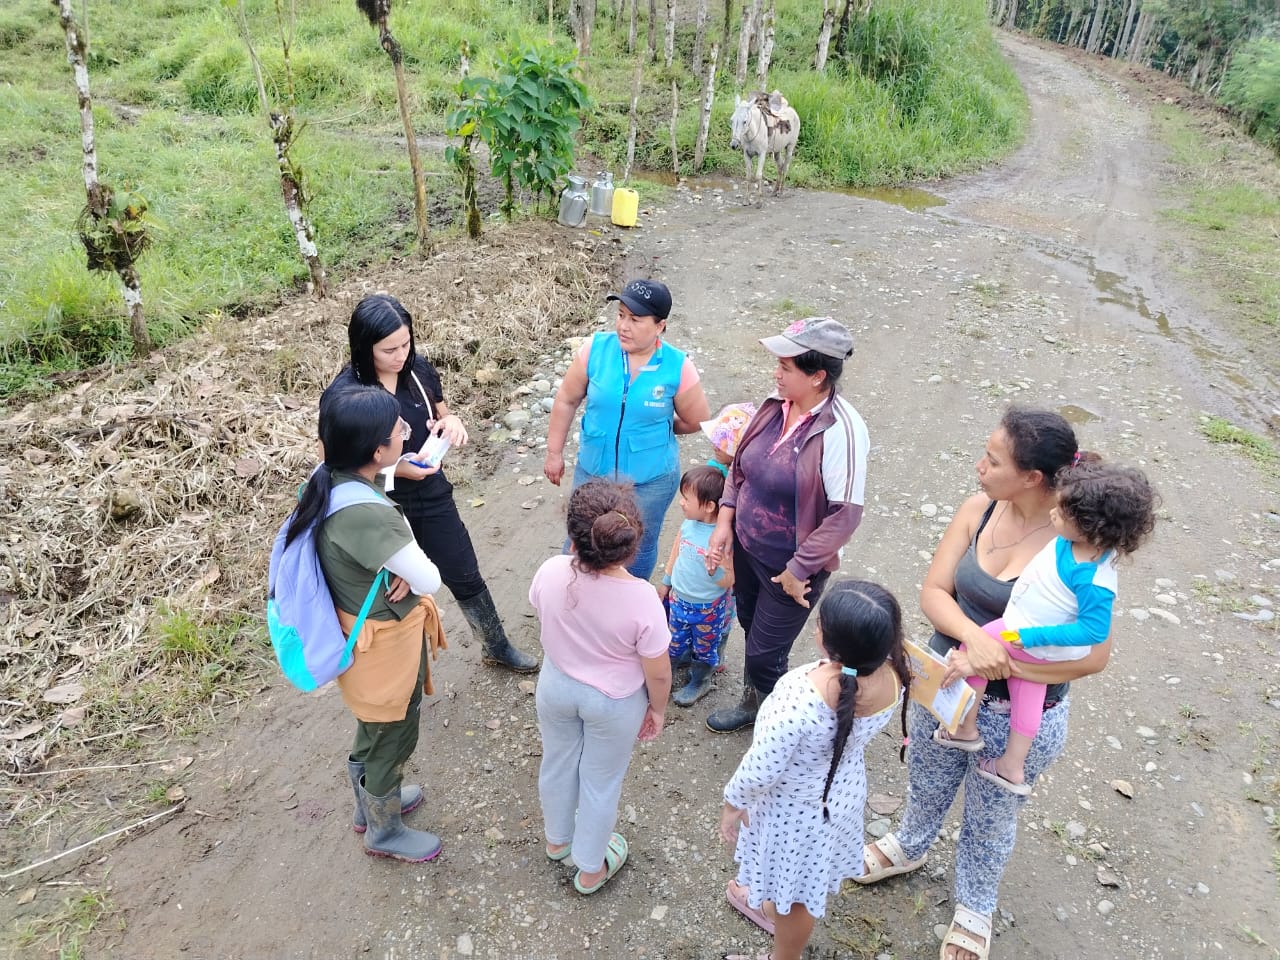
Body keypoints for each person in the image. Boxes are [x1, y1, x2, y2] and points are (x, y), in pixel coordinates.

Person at [853, 407, 1114, 960]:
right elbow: (934, 593)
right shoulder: (979, 509)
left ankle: (976, 903)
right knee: (927, 776)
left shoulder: (1079, 540)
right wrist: (979, 641)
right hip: (947, 684)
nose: (979, 467)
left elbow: (1094, 656)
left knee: (993, 813)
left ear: (1033, 477)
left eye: (993, 461)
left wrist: (1012, 668)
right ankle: (910, 843)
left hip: (1020, 712)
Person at [326, 293, 538, 673]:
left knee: (463, 569)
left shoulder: (417, 371)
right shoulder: (345, 397)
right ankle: (402, 675)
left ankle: (496, 645)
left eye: (406, 344)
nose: (400, 356)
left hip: (428, 490)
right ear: (363, 347)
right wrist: (396, 471)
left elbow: (441, 412)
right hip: (375, 507)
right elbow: (333, 465)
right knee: (394, 591)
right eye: (389, 350)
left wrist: (450, 421)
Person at [290, 386, 444, 862]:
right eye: (399, 430)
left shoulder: (327, 479)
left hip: (355, 633)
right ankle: (384, 830)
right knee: (394, 729)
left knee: (373, 721)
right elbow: (430, 579)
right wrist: (405, 567)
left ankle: (369, 805)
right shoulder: (368, 516)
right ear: (376, 451)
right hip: (385, 644)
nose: (406, 433)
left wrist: (394, 562)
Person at [719, 580, 909, 960]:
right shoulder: (895, 674)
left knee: (797, 899)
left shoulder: (800, 698)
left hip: (796, 814)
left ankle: (783, 954)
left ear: (829, 642)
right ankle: (768, 904)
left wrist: (732, 803)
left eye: (820, 624)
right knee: (800, 883)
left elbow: (761, 768)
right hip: (843, 795)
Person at [943, 458, 1157, 794]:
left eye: (1062, 512)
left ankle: (964, 728)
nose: (1053, 514)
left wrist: (1030, 637)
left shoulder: (1094, 579)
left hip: (1025, 632)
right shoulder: (1079, 546)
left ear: (1090, 527)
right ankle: (1011, 766)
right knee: (1029, 691)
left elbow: (1094, 632)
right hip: (1038, 642)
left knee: (977, 644)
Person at [704, 317, 870, 733]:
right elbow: (740, 468)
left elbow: (845, 514)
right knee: (749, 625)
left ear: (817, 376)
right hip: (747, 547)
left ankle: (779, 726)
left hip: (791, 568)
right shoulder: (774, 404)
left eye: (785, 367)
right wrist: (725, 521)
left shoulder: (842, 431)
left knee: (765, 652)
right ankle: (753, 704)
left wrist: (799, 569)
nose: (775, 374)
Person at [530, 480, 673, 895]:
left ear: (573, 539)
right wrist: (657, 709)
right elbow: (658, 672)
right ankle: (591, 867)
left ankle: (557, 840)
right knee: (600, 781)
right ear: (630, 546)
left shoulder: (551, 570)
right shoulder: (643, 598)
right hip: (613, 702)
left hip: (557, 684)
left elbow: (541, 610)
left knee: (557, 761)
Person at [543, 279, 711, 581]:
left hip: (650, 481)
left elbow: (696, 419)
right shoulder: (595, 350)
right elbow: (566, 400)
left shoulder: (677, 366)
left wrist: (657, 429)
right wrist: (554, 453)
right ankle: (574, 595)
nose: (623, 325)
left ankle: (630, 599)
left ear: (660, 326)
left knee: (637, 545)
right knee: (579, 540)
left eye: (635, 319)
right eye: (620, 315)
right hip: (593, 472)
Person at [657, 465, 734, 706]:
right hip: (679, 600)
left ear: (709, 506)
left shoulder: (722, 539)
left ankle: (700, 681)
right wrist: (666, 581)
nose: (681, 503)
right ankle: (665, 676)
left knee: (705, 648)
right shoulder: (688, 525)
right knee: (672, 640)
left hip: (707, 609)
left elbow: (729, 581)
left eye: (686, 499)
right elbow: (676, 552)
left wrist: (714, 571)